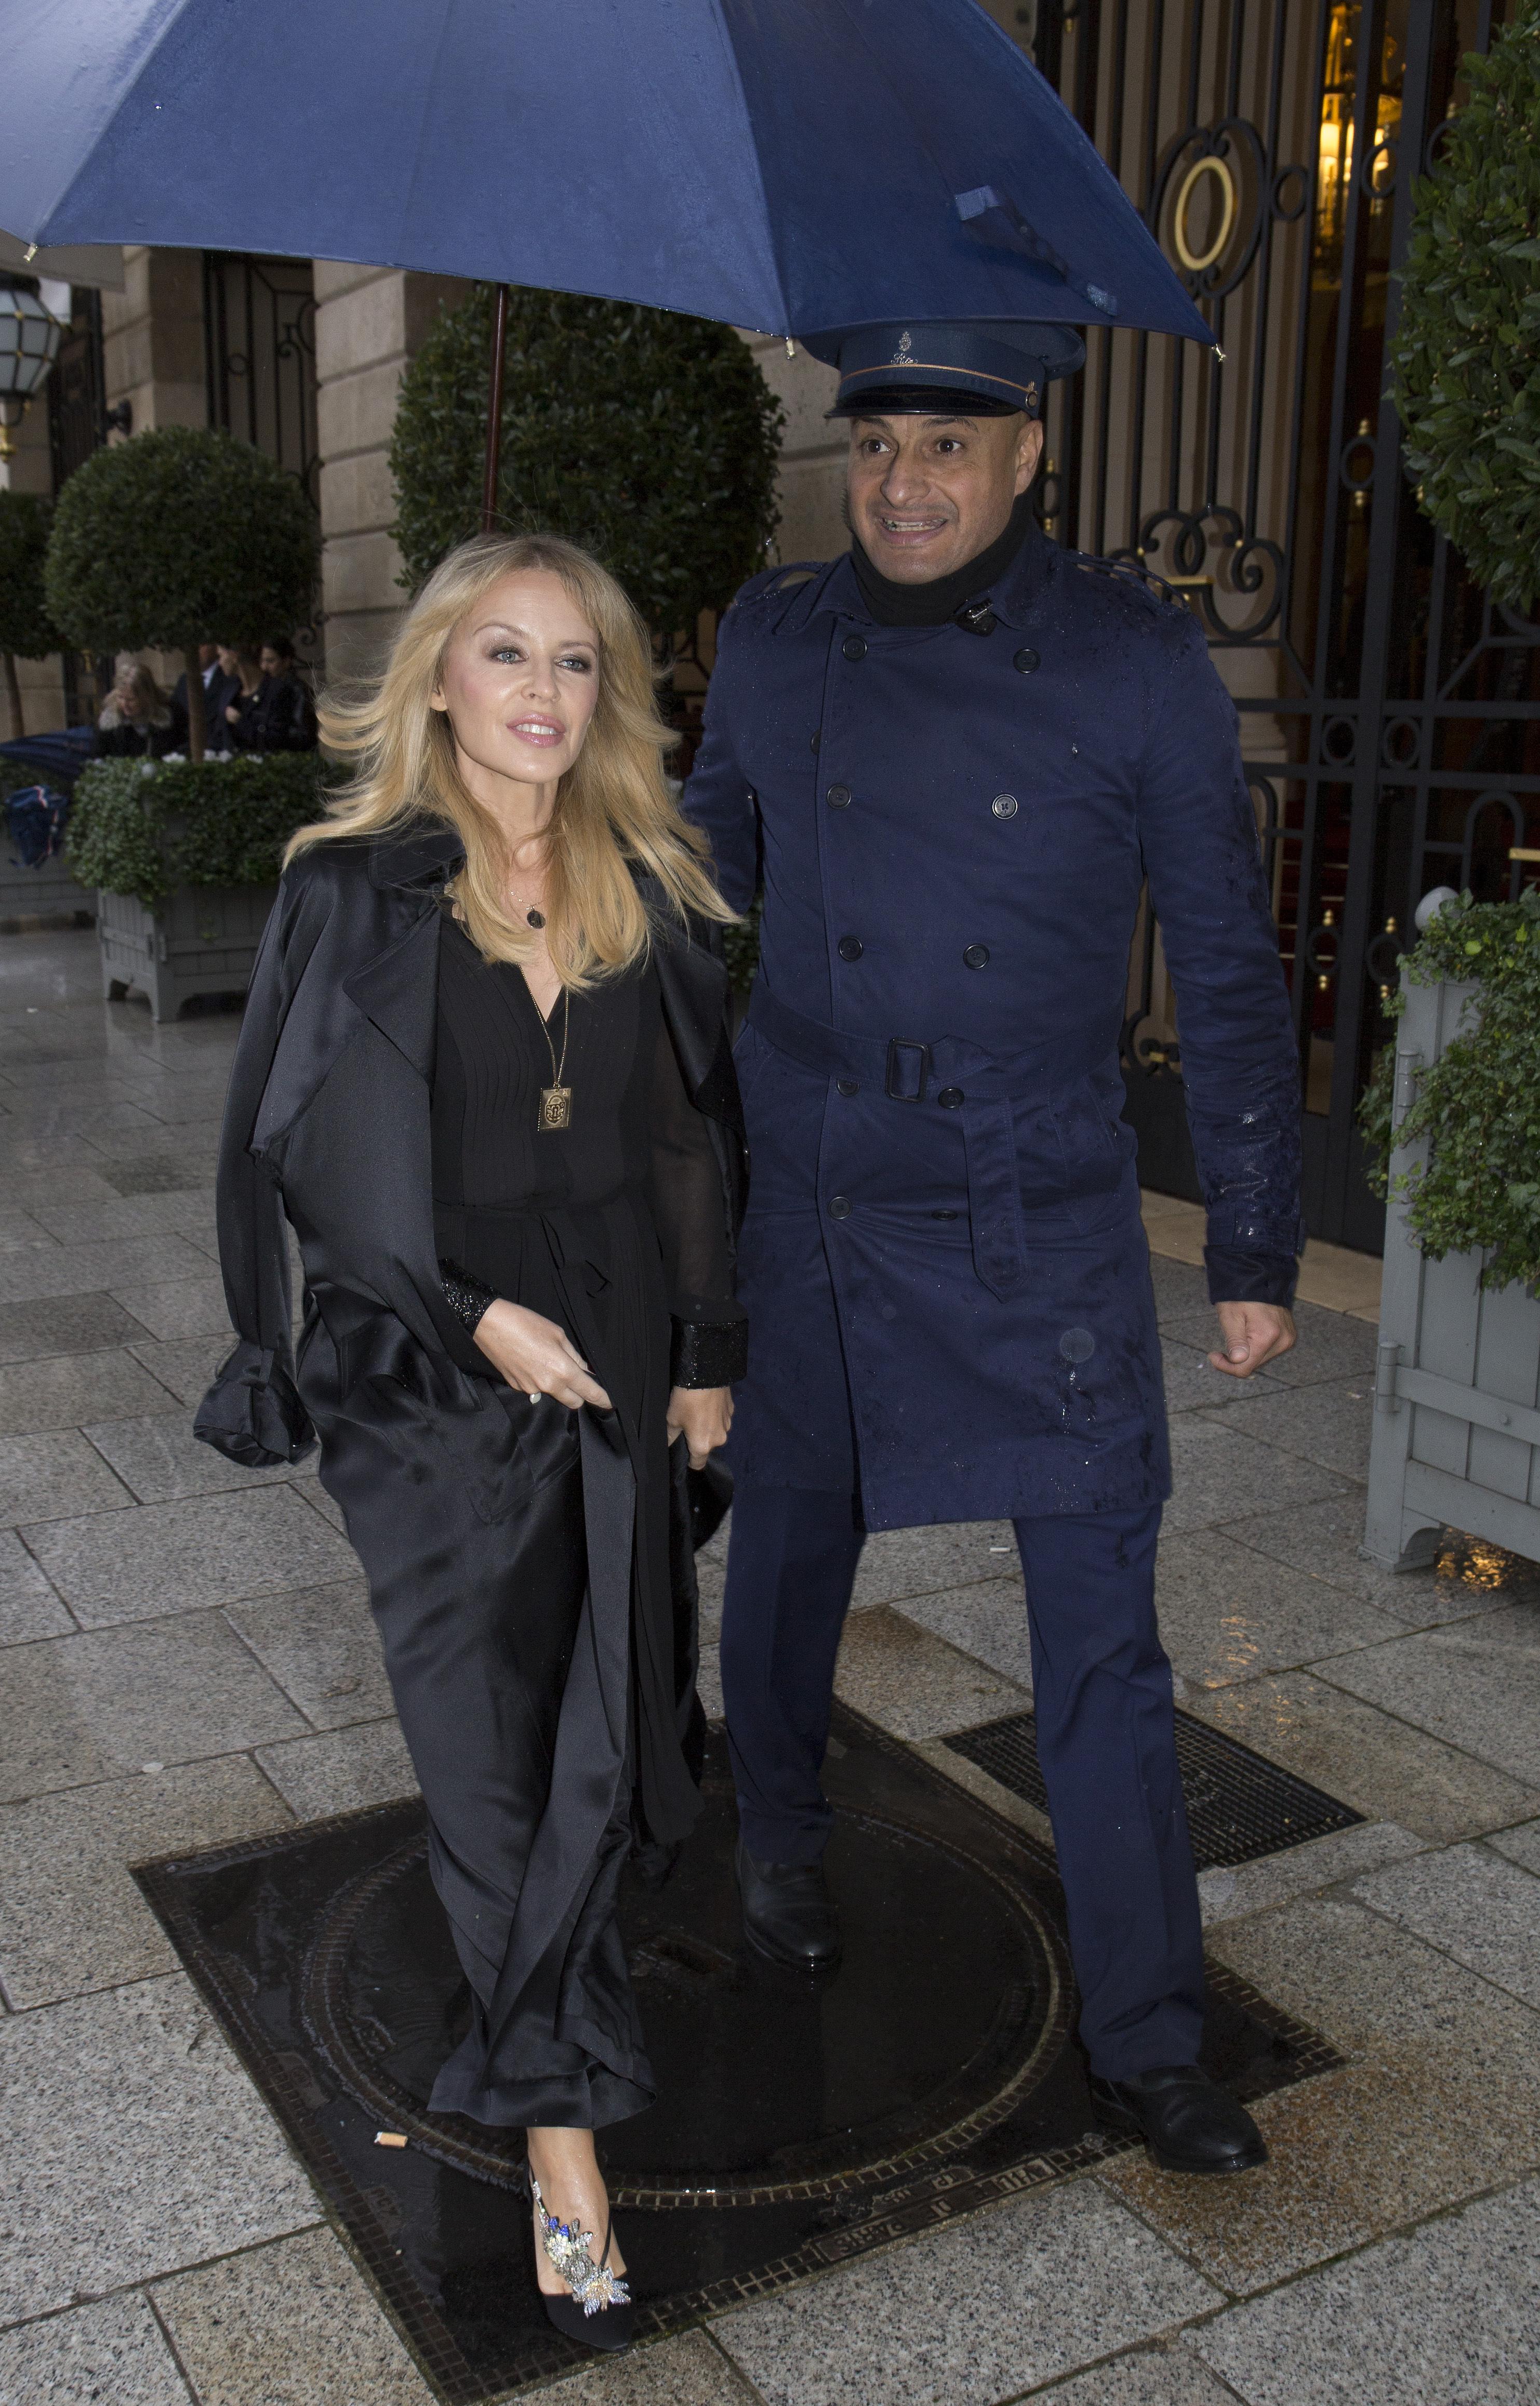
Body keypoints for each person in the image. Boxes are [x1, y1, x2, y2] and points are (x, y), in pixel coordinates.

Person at [681, 320, 1303, 2180]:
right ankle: (777, 1834)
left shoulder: (1131, 657)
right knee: (789, 1541)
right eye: (876, 441)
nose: (903, 482)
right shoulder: (775, 634)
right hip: (817, 1178)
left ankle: (1151, 2033)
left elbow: (1224, 954)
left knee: (1100, 1620)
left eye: (947, 444)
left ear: (1028, 453)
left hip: (1034, 1196)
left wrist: (1253, 1235)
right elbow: (700, 885)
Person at [196, 532, 746, 2347]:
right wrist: (463, 1313)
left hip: (610, 1339)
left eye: (573, 660)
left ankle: (550, 2044)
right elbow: (300, 1153)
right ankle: (564, 2149)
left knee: (602, 1717)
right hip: (426, 1371)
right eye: (503, 652)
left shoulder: (643, 875)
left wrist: (704, 1350)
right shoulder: (351, 888)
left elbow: (681, 1132)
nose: (539, 691)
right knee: (488, 1760)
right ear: (436, 676)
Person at [246, 636, 318, 752]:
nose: (264, 667)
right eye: (262, 661)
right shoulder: (265, 687)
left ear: (286, 662)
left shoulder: (298, 690)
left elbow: (301, 733)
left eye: (270, 661)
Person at [96, 660, 176, 759]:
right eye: (120, 697)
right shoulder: (110, 723)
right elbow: (99, 757)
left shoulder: (170, 715)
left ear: (146, 697)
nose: (125, 704)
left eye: (131, 699)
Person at [170, 641, 231, 753]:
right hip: (188, 750)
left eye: (202, 645)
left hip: (221, 750)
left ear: (215, 647)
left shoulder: (228, 677)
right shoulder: (184, 681)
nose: (196, 650)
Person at [217, 644, 266, 750]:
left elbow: (275, 740)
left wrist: (240, 722)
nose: (220, 663)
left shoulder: (275, 690)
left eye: (221, 656)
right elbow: (219, 737)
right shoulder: (229, 693)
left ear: (234, 655)